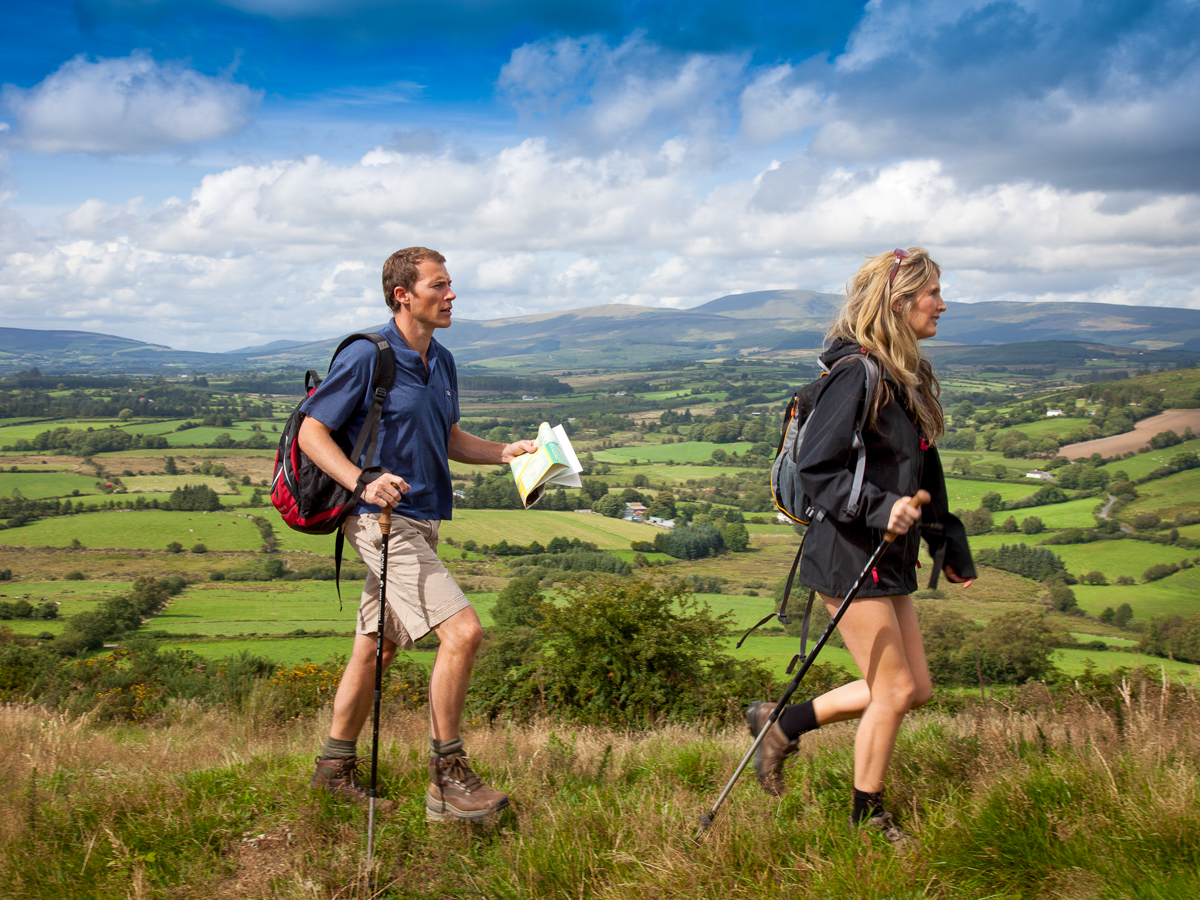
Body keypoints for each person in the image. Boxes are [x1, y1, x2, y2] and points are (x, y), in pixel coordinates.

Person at [745, 247, 976, 846]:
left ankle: (781, 723)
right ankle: (867, 818)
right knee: (894, 690)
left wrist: (947, 543)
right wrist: (879, 509)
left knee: (913, 688)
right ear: (900, 303)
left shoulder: (906, 376)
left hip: (887, 552)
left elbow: (924, 469)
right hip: (848, 552)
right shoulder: (859, 373)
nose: (943, 305)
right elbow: (817, 465)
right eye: (933, 295)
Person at [300, 246, 537, 822]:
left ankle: (333, 770)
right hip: (378, 522)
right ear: (403, 295)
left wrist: (505, 453)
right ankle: (447, 779)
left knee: (376, 647)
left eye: (451, 284)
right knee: (463, 633)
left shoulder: (443, 360)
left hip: (425, 519)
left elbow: (450, 436)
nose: (451, 294)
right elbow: (312, 431)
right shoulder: (368, 356)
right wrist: (362, 482)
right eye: (439, 285)